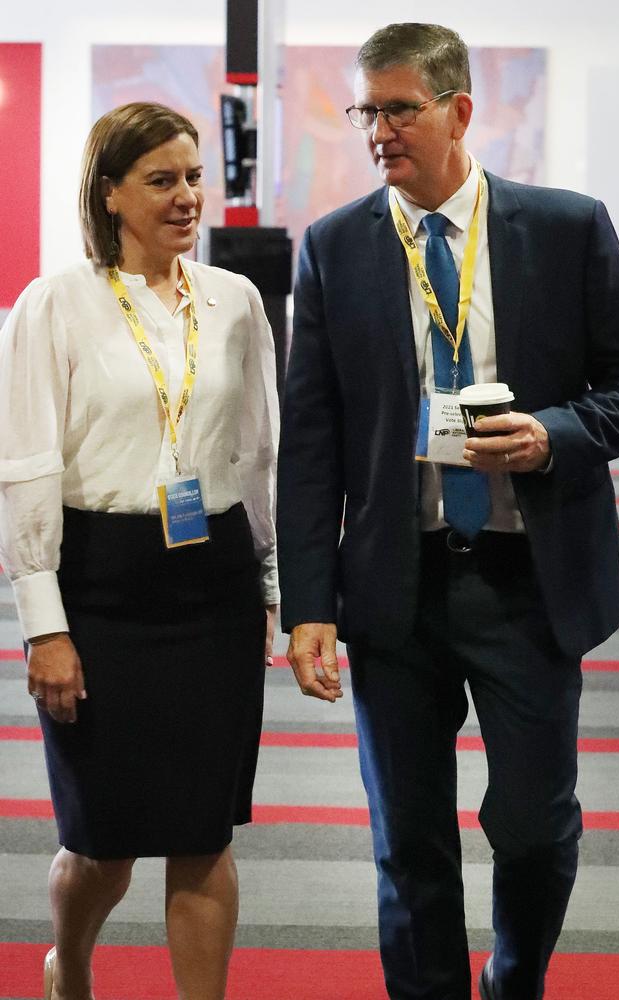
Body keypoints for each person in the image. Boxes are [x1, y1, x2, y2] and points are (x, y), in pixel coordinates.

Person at [277, 22, 619, 1000]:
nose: (375, 130)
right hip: (393, 589)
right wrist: (306, 601)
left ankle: (511, 978)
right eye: (364, 109)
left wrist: (552, 435)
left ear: (458, 112)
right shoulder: (330, 248)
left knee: (533, 828)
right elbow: (310, 440)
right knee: (407, 843)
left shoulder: (566, 228)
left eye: (397, 108)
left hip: (530, 581)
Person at [0, 102, 279, 1000]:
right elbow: (27, 467)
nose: (186, 196)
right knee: (103, 840)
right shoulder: (55, 304)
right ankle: (71, 962)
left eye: (195, 176)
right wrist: (44, 624)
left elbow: (256, 451)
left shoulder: (234, 301)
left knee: (205, 832)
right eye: (161, 180)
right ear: (110, 193)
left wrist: (273, 578)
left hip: (214, 586)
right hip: (101, 588)